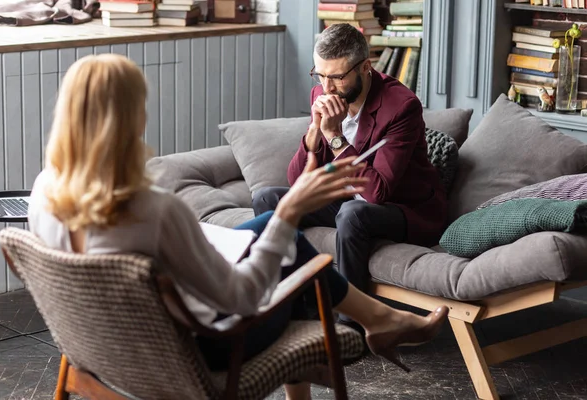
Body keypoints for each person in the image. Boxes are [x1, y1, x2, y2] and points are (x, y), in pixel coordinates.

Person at [27, 54, 448, 400]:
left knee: (270, 228)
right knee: (300, 262)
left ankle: (378, 319)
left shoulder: (44, 192)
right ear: (132, 119)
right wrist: (287, 217)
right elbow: (243, 298)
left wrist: (277, 222)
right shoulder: (156, 211)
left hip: (106, 346)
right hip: (201, 353)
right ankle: (378, 322)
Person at [253, 24, 448, 315]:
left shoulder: (402, 106)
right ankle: (290, 303)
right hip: (346, 202)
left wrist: (334, 138)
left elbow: (376, 193)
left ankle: (352, 323)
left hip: (404, 209)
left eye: (337, 77)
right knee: (267, 198)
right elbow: (297, 182)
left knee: (353, 213)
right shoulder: (322, 93)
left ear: (365, 67)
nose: (326, 87)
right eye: (319, 75)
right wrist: (313, 136)